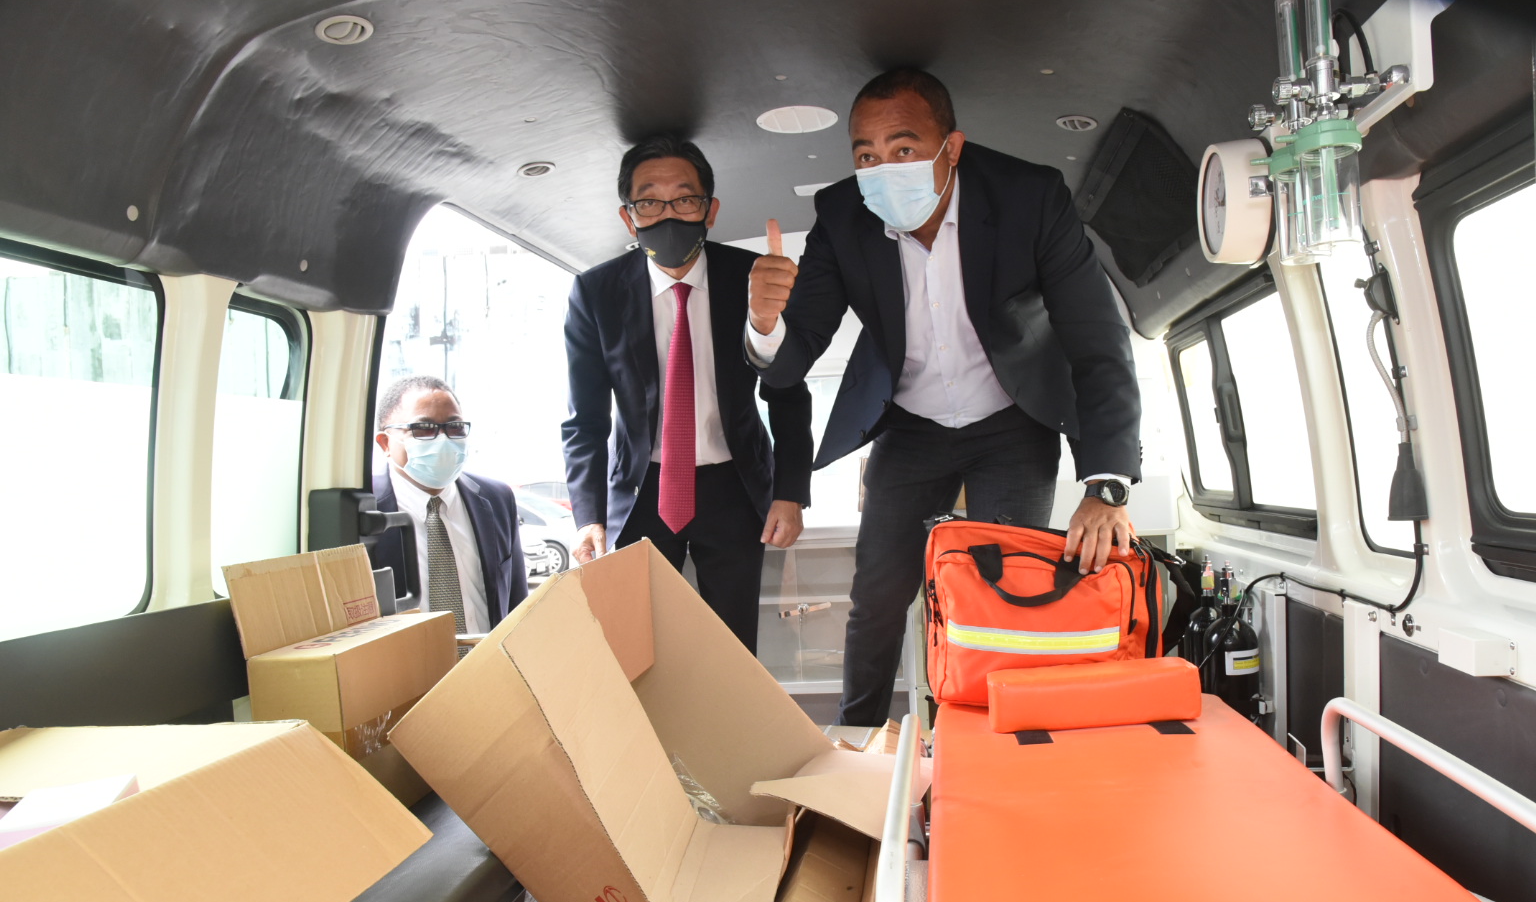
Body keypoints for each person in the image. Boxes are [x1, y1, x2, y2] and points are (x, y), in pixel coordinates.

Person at [746, 68, 1141, 725]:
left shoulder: (1029, 197)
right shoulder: (843, 215)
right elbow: (795, 351)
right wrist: (764, 324)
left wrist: (1106, 486)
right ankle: (858, 740)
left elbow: (1098, 345)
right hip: (911, 424)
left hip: (1014, 422)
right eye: (866, 156)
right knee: (876, 594)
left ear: (950, 147)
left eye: (903, 150)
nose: (881, 170)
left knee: (1007, 591)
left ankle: (1001, 738)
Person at [561, 135, 813, 653]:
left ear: (710, 210)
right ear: (629, 218)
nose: (668, 213)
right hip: (641, 492)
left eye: (685, 198)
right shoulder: (596, 293)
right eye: (649, 201)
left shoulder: (752, 278)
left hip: (735, 489)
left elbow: (786, 390)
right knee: (632, 647)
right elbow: (585, 420)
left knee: (732, 648)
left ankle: (730, 736)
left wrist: (790, 491)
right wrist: (589, 514)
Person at [370, 375, 529, 634]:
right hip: (400, 669)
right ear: (385, 442)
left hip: (485, 666)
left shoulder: (496, 499)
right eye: (424, 428)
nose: (443, 439)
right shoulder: (364, 510)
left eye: (455, 427)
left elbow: (517, 602)